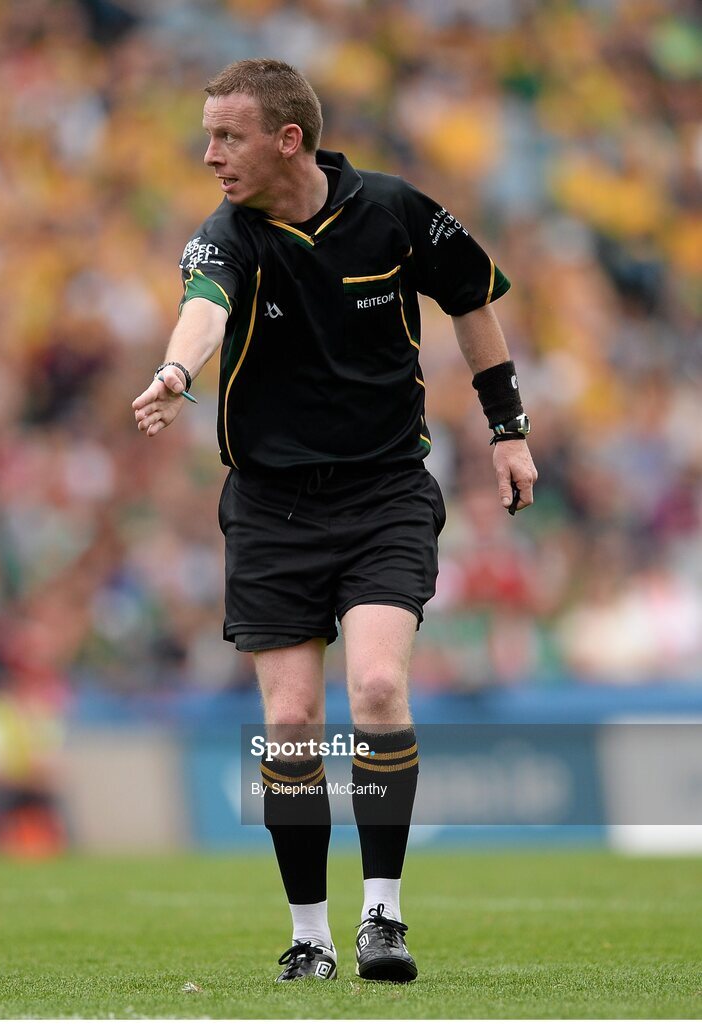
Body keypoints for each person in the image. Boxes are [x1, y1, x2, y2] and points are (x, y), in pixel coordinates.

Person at [133, 58, 537, 983]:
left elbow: (471, 297)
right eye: (207, 137)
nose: (210, 156)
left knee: (381, 691)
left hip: (385, 494)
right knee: (290, 719)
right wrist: (175, 372)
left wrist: (508, 430)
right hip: (271, 508)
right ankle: (309, 933)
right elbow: (203, 310)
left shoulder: (394, 211)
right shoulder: (226, 235)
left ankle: (382, 917)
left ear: (289, 139)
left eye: (227, 137)